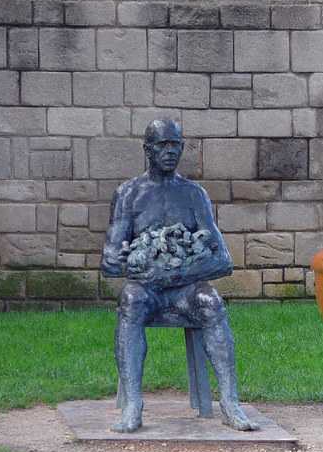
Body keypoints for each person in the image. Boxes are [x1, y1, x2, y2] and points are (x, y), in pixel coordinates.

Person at [101, 119, 257, 433]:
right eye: (162, 145)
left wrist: (177, 273)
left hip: (185, 288)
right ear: (147, 150)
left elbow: (223, 260)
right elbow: (110, 259)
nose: (170, 152)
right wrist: (118, 261)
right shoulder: (129, 194)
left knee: (211, 301)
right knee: (130, 298)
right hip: (146, 290)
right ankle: (133, 404)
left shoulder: (193, 195)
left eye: (175, 145)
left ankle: (229, 401)